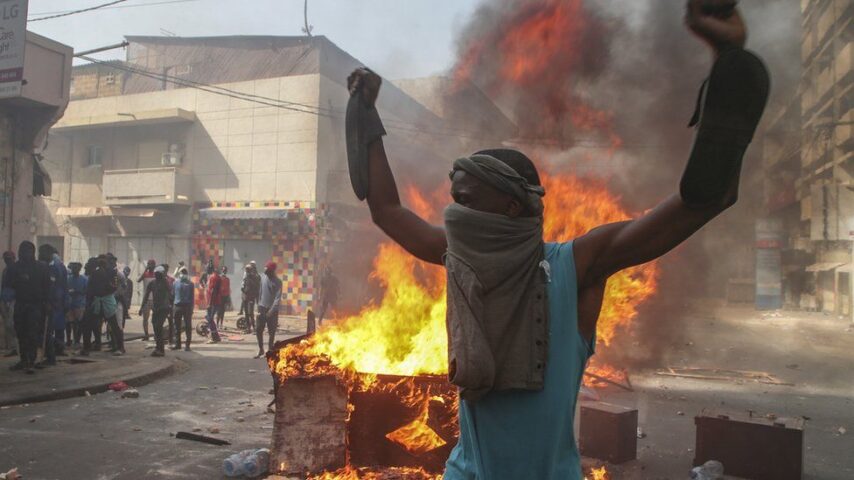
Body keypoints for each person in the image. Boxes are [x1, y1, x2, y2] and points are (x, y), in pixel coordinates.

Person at [345, 3, 769, 477]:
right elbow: (387, 211)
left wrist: (728, 63)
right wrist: (365, 117)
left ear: (511, 206)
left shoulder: (576, 265)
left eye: (467, 199)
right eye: (453, 200)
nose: (455, 212)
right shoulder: (460, 261)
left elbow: (699, 201)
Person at [6, 242, 50, 373]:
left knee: (32, 333)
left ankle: (31, 361)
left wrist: (48, 303)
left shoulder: (41, 267)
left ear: (33, 252)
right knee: (20, 333)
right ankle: (23, 359)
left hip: (35, 305)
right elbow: (9, 284)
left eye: (28, 251)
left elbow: (47, 287)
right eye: (23, 251)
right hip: (20, 304)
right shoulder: (14, 268)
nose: (25, 254)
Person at [84, 255, 124, 356]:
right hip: (98, 301)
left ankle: (120, 347)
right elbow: (91, 289)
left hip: (105, 300)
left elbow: (113, 287)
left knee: (113, 325)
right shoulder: (97, 272)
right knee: (89, 325)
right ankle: (88, 347)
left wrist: (105, 292)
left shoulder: (107, 272)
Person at [38, 244, 67, 363]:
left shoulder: (52, 267)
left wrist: (50, 301)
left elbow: (52, 286)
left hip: (52, 302)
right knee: (55, 328)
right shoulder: (59, 266)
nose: (39, 255)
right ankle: (56, 350)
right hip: (57, 301)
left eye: (41, 252)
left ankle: (50, 356)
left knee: (47, 330)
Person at [140, 266, 173, 356]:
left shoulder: (165, 282)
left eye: (159, 274)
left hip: (164, 308)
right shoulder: (152, 283)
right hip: (156, 308)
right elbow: (146, 295)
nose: (158, 275)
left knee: (158, 326)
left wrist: (171, 307)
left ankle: (160, 349)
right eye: (157, 274)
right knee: (155, 326)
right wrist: (142, 307)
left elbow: (171, 294)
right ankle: (158, 348)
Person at [255, 261, 282, 358]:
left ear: (272, 271)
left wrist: (271, 311)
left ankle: (270, 350)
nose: (265, 272)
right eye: (265, 270)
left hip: (272, 311)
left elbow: (277, 299)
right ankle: (261, 349)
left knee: (271, 332)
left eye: (267, 271)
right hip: (261, 308)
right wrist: (258, 306)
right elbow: (260, 292)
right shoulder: (263, 277)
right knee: (258, 330)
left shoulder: (278, 282)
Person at [65, 262, 88, 347]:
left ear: (79, 269)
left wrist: (78, 292)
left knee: (78, 323)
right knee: (68, 323)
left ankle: (76, 340)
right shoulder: (68, 279)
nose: (75, 269)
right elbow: (65, 289)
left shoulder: (84, 279)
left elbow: (86, 291)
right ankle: (68, 340)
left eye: (77, 268)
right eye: (74, 268)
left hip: (79, 303)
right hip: (70, 303)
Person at [173, 267, 195, 351]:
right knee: (177, 326)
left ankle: (187, 345)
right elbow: (173, 295)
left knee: (188, 326)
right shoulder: (175, 283)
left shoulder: (190, 284)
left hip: (187, 306)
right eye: (182, 272)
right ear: (179, 273)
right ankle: (178, 344)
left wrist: (192, 308)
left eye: (184, 272)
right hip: (177, 306)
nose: (183, 274)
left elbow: (192, 297)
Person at [137, 259, 157, 341]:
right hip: (146, 300)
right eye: (149, 264)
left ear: (154, 265)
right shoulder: (145, 274)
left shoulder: (156, 275)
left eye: (151, 264)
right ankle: (146, 335)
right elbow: (138, 280)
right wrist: (146, 269)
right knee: (145, 319)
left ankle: (156, 334)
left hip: (155, 300)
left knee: (155, 319)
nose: (150, 266)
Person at [1, 251, 16, 356]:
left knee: (12, 324)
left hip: (13, 299)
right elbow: (3, 285)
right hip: (5, 298)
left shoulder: (17, 269)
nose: (7, 260)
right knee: (7, 324)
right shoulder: (5, 270)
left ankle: (16, 347)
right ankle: (11, 347)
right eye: (6, 259)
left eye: (9, 258)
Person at [203, 263, 223, 344]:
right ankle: (216, 337)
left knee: (210, 319)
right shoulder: (213, 276)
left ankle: (214, 337)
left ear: (209, 269)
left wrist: (209, 304)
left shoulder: (213, 277)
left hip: (213, 302)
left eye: (207, 268)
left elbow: (213, 291)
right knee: (209, 318)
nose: (206, 270)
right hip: (213, 301)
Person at [241, 263, 261, 333]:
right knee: (246, 313)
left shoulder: (254, 278)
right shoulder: (246, 278)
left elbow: (256, 289)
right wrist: (244, 292)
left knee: (250, 313)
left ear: (250, 270)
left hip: (251, 298)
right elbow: (243, 288)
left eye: (248, 270)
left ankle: (254, 328)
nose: (247, 271)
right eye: (246, 270)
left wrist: (253, 297)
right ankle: (248, 328)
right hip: (246, 298)